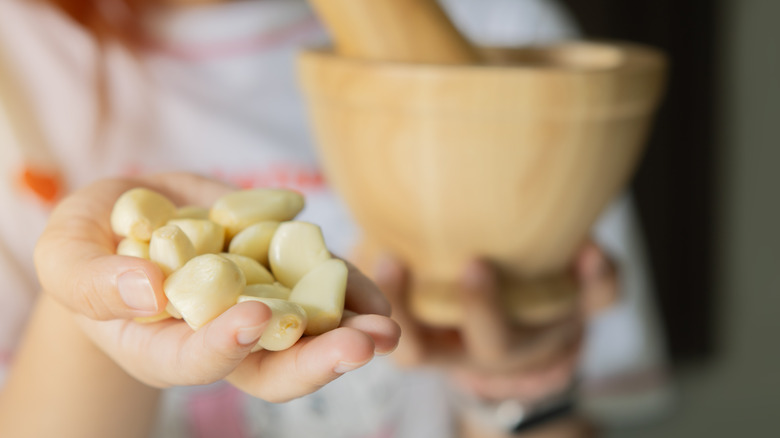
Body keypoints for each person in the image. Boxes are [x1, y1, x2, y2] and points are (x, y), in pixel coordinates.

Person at [0, 0, 672, 437]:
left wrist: (520, 393)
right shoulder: (15, 69)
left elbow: (563, 427)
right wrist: (93, 312)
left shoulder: (500, 25)